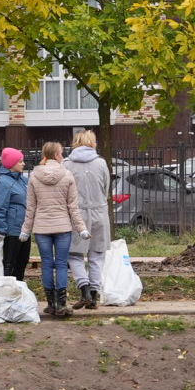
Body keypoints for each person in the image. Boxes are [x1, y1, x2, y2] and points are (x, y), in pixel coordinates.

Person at [20, 141, 88, 318]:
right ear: (57, 155)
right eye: (62, 153)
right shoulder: (67, 176)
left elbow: (31, 207)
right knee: (61, 264)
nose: (63, 155)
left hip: (41, 228)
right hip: (63, 227)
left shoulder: (34, 176)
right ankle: (61, 304)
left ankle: (50, 303)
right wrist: (81, 228)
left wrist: (25, 230)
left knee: (47, 264)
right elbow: (73, 207)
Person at [63, 130, 111, 309]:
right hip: (99, 212)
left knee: (74, 254)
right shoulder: (101, 163)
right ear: (93, 142)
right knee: (97, 255)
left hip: (77, 214)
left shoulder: (67, 164)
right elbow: (105, 187)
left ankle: (83, 287)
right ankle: (94, 293)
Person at [0, 147, 29, 281]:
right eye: (20, 162)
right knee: (10, 264)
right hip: (12, 232)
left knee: (22, 263)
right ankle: (7, 292)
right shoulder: (3, 182)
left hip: (24, 229)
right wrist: (2, 231)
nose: (23, 164)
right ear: (11, 164)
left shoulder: (23, 180)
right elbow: (0, 207)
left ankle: (18, 292)